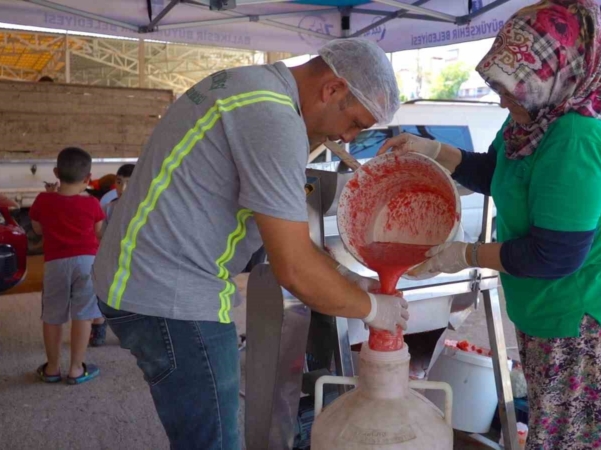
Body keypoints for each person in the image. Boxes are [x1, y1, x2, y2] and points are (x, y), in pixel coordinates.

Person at [92, 38, 406, 449]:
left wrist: (348, 279)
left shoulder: (250, 84)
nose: (346, 138)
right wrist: (374, 309)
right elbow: (293, 268)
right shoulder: (273, 118)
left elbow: (286, 239)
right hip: (172, 297)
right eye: (356, 124)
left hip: (137, 277)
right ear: (333, 89)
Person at [379, 1, 601, 448]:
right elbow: (507, 178)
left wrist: (462, 255)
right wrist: (435, 152)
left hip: (584, 317)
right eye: (499, 86)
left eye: (512, 87)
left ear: (557, 72)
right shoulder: (537, 117)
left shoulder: (577, 138)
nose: (503, 98)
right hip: (550, 308)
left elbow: (553, 254)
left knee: (570, 440)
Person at [29, 147, 105, 385]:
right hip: (86, 263)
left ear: (55, 173)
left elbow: (37, 229)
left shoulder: (43, 200)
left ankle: (52, 368)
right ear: (88, 178)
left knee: (52, 315)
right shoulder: (92, 204)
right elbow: (98, 231)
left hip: (55, 264)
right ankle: (75, 369)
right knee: (83, 314)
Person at [89, 163, 136, 347]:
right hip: (112, 261)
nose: (122, 188)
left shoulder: (144, 208)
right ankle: (99, 326)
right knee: (104, 294)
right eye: (119, 182)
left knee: (130, 299)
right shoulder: (108, 208)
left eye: (128, 183)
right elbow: (101, 235)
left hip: (135, 263)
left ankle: (130, 332)